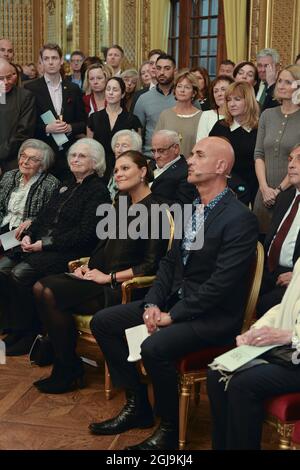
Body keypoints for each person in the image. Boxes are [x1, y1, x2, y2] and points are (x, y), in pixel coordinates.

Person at [88, 136, 258, 450]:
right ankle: (138, 404)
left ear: (220, 166)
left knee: (154, 348)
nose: (190, 160)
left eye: (198, 155)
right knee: (104, 322)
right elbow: (169, 264)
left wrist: (171, 316)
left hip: (213, 317)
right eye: (191, 154)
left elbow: (220, 284)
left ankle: (169, 429)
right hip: (174, 302)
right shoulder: (192, 208)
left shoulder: (239, 219)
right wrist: (152, 302)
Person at [32, 150, 169, 394]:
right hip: (100, 279)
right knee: (41, 287)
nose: (118, 174)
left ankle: (68, 369)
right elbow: (106, 246)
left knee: (49, 291)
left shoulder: (157, 208)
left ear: (143, 171)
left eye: (125, 168)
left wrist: (109, 277)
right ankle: (68, 366)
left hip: (125, 288)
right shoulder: (123, 202)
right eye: (116, 170)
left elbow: (151, 265)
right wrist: (90, 266)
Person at [0, 138, 110, 356]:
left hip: (67, 252)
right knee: (3, 268)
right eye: (73, 155)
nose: (75, 159)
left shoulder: (98, 191)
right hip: (40, 246)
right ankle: (14, 328)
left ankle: (29, 332)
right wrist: (29, 237)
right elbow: (42, 218)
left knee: (20, 273)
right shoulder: (66, 184)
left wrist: (45, 244)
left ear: (96, 162)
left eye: (82, 156)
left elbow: (85, 235)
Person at [207, 256, 300, 450]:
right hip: (288, 352)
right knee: (217, 373)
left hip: (294, 354)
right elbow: (284, 306)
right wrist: (255, 331)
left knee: (243, 384)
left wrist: (288, 336)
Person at [24, 43, 86, 181]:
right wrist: (47, 128)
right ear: (41, 61)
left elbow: (83, 123)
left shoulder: (73, 89)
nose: (51, 62)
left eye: (54, 58)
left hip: (68, 156)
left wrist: (70, 127)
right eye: (46, 59)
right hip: (41, 155)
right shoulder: (30, 88)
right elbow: (26, 126)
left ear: (61, 60)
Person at [253, 65, 300, 234]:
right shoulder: (267, 115)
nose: (281, 85)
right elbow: (258, 154)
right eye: (279, 81)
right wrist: (264, 188)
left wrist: (279, 190)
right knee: (258, 245)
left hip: (291, 193)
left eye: (288, 82)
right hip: (263, 192)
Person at [256, 144, 300, 317]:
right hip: (268, 269)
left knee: (266, 305)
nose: (291, 165)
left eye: (299, 159)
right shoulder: (285, 197)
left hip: (293, 274)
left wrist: (298, 275)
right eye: (290, 159)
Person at [209, 81, 260, 206]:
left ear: (248, 101)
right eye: (229, 100)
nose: (232, 104)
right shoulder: (220, 127)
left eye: (237, 99)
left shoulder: (260, 128)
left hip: (254, 187)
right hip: (224, 187)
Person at [0, 139, 59, 237]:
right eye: (23, 156)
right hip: (3, 225)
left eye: (33, 159)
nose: (25, 162)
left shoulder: (50, 184)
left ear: (43, 164)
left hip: (26, 234)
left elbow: (48, 217)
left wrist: (32, 221)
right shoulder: (9, 176)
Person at [87, 77, 141, 181]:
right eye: (108, 89)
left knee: (122, 197)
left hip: (123, 170)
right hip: (99, 169)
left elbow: (136, 151)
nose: (110, 93)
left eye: (115, 90)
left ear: (123, 94)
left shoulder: (132, 119)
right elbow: (90, 148)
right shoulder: (94, 118)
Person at [133, 54, 177, 156]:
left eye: (167, 68)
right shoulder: (143, 99)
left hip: (179, 157)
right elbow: (137, 134)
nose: (162, 72)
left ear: (175, 71)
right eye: (159, 68)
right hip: (151, 157)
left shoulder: (185, 97)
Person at [0, 58, 36, 173]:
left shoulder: (24, 97)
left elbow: (23, 132)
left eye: (9, 77)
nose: (6, 82)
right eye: (0, 78)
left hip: (13, 162)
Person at [155, 70, 202, 158]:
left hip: (192, 166)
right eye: (179, 86)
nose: (182, 90)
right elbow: (157, 144)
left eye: (187, 87)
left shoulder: (202, 117)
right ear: (175, 90)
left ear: (194, 93)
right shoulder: (165, 115)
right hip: (167, 166)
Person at [149, 130, 197, 205]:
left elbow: (183, 206)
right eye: (153, 151)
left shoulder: (186, 172)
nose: (156, 156)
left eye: (161, 151)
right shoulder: (149, 165)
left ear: (176, 148)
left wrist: (146, 198)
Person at [196, 75, 234, 140]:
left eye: (223, 89)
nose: (219, 94)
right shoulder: (206, 115)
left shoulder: (238, 115)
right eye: (215, 91)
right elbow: (200, 142)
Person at [107, 129, 142, 199]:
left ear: (135, 149)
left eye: (124, 146)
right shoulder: (114, 169)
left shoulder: (137, 171)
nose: (119, 150)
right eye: (117, 146)